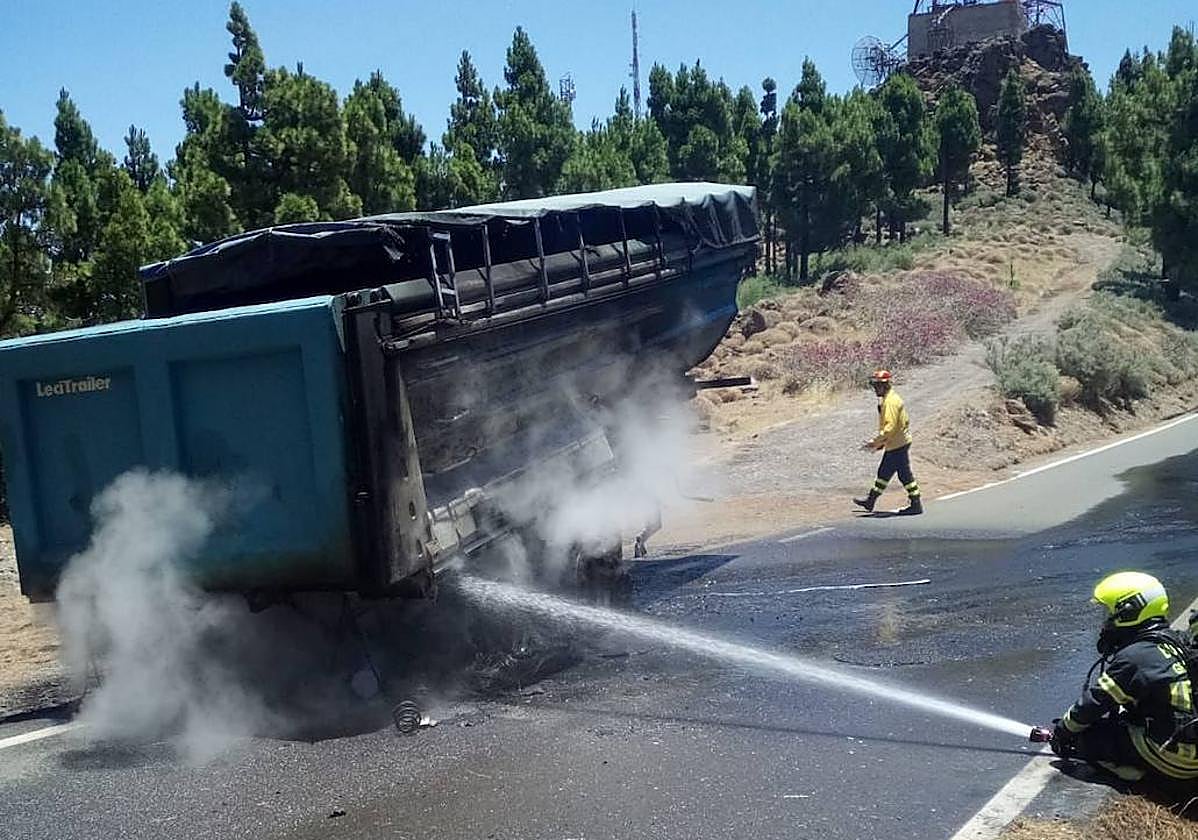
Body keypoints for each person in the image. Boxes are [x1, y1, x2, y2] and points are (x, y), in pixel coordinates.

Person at [1050, 571, 1198, 786]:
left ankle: (1133, 774)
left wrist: (1063, 731)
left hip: (1174, 758)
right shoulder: (1173, 641)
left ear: (1128, 612)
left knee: (1088, 739)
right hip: (1189, 749)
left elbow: (1094, 702)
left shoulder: (1135, 657)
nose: (1105, 622)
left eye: (1109, 613)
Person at [853, 370, 922, 516]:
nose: (875, 389)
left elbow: (889, 428)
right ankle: (870, 501)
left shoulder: (890, 402)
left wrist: (875, 442)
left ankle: (916, 504)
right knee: (884, 472)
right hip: (896, 442)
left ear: (885, 386)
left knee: (904, 476)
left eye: (877, 386)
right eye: (875, 386)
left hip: (897, 444)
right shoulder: (889, 398)